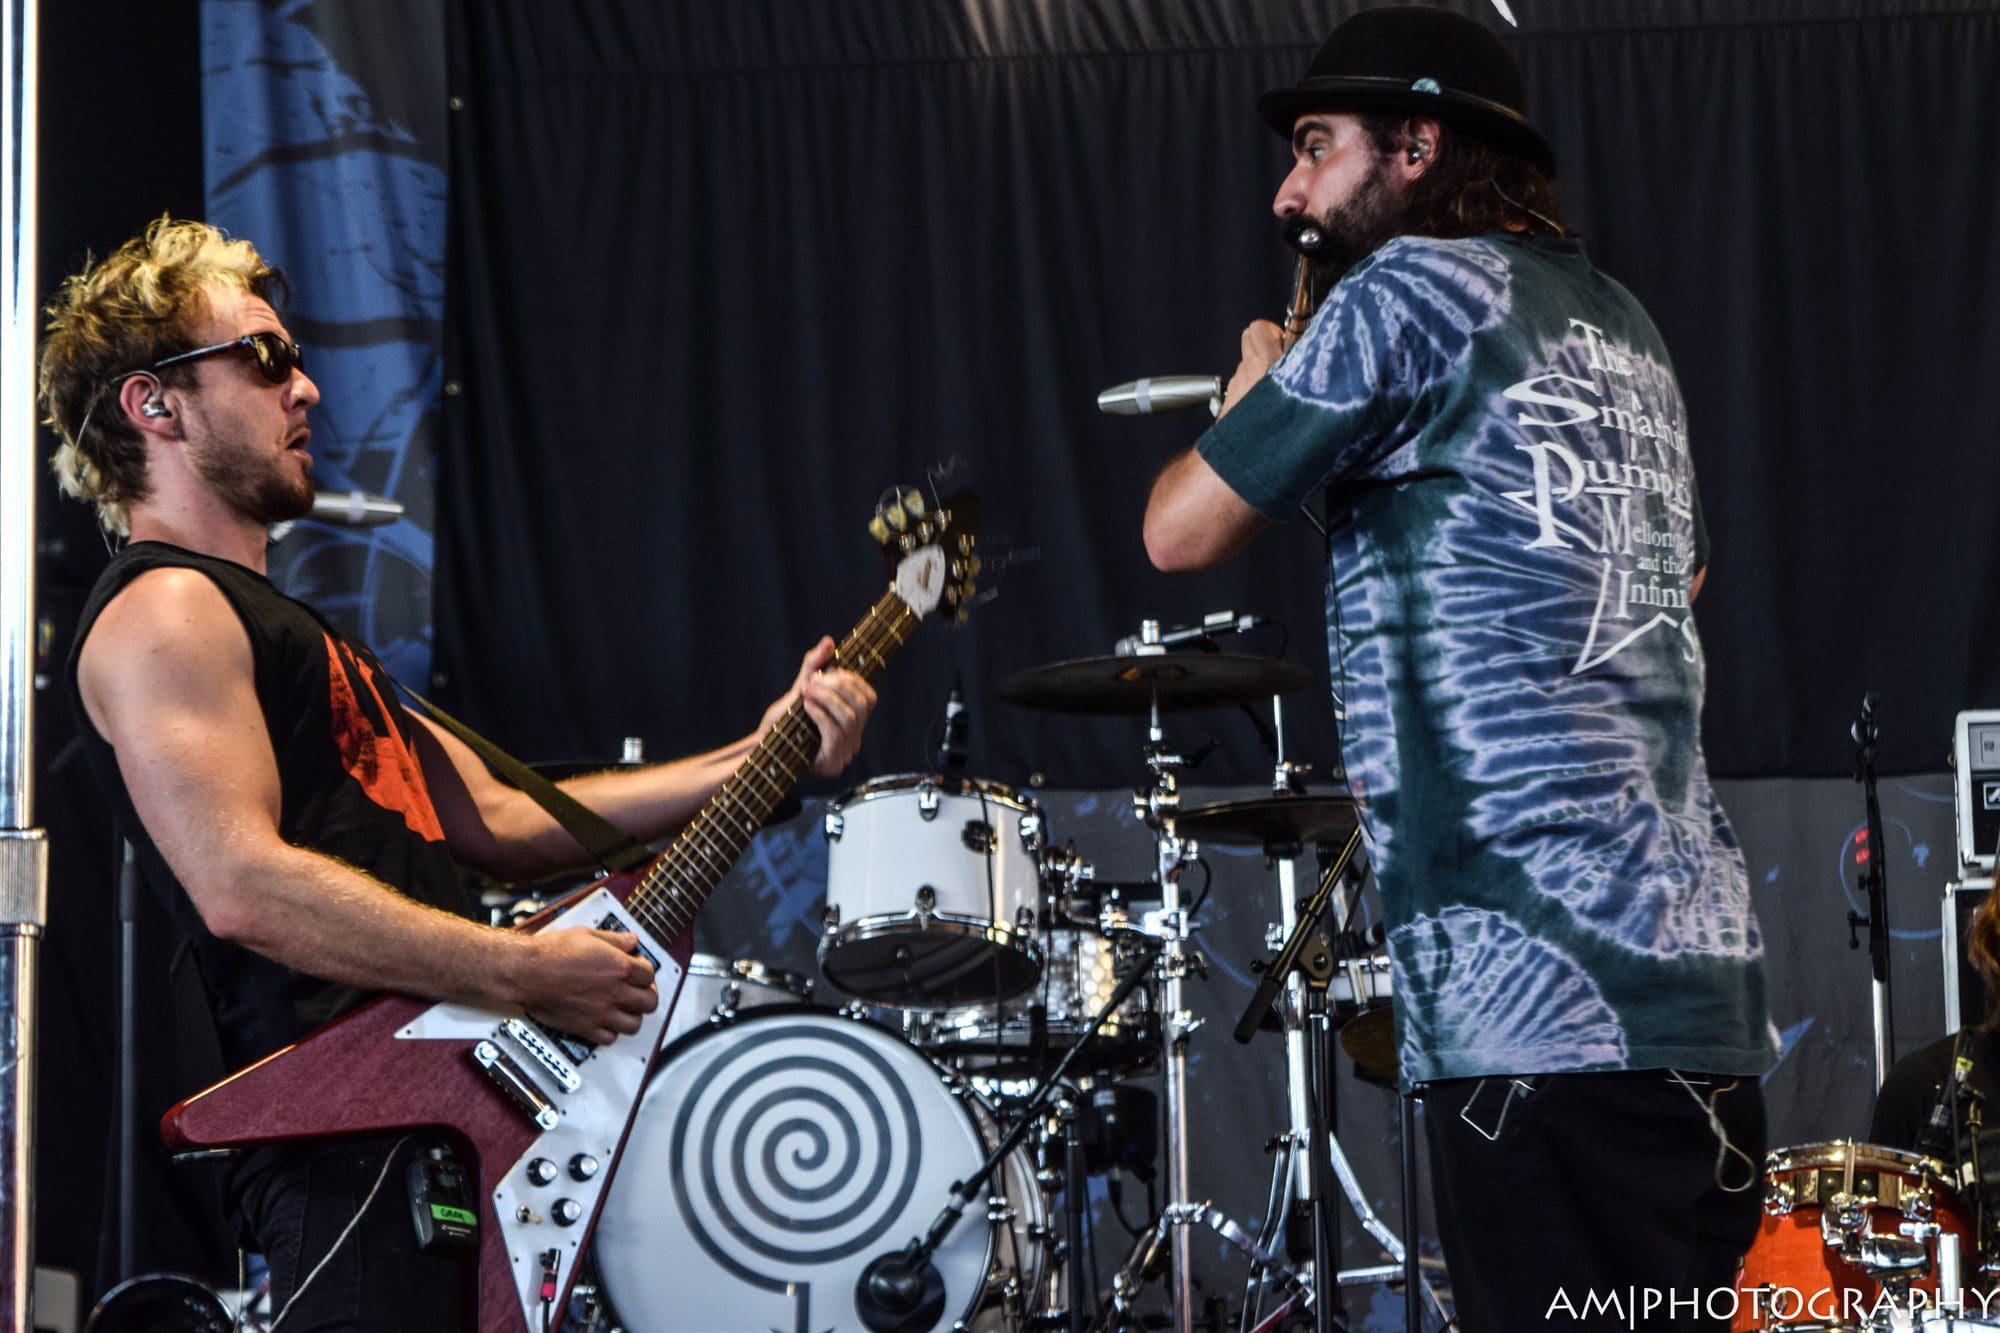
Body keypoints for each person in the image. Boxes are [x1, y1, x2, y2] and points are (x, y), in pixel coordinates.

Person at [40, 217, 877, 1328]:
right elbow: (242, 884)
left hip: (432, 1123)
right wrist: (521, 971)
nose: (308, 389)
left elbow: (496, 816)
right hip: (342, 1133)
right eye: (266, 357)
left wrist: (765, 750)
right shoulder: (166, 609)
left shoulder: (289, 628)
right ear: (157, 404)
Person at [1141, 8, 1777, 1328]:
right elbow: (1677, 578)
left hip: (1535, 1012)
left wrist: (1258, 386)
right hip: (1698, 1004)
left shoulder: (1403, 294)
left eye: (1315, 147)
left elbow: (1178, 530)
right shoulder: (1622, 323)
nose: (1288, 193)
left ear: (1418, 146)